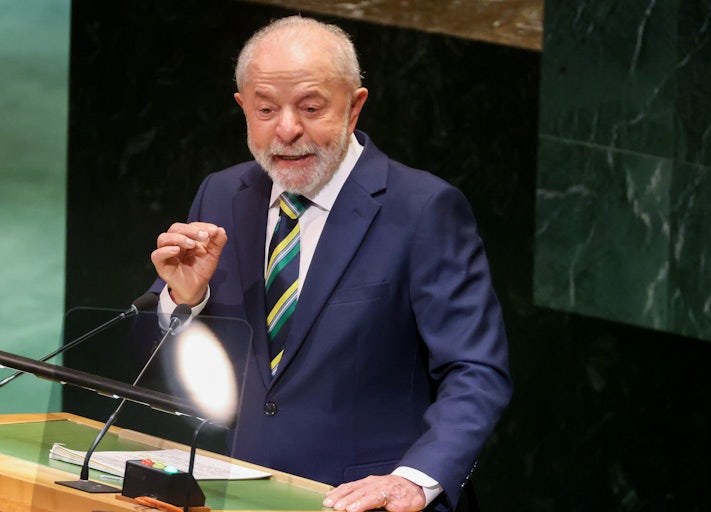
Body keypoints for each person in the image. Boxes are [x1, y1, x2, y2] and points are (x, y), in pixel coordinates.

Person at [149, 15, 511, 512]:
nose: (287, 129)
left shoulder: (423, 208)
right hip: (241, 494)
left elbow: (477, 369)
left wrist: (415, 479)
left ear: (354, 107)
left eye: (311, 107)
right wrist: (184, 299)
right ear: (243, 107)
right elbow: (165, 359)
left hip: (370, 504)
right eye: (266, 110)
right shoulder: (222, 194)